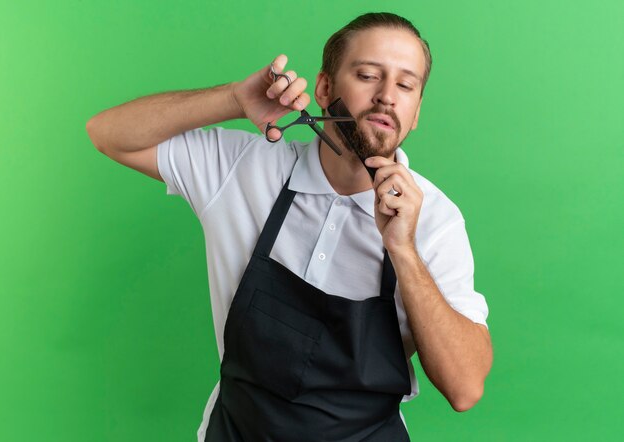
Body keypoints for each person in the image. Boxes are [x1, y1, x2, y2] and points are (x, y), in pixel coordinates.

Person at [86, 12, 492, 442]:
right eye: (369, 75)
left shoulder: (435, 221)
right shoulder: (245, 168)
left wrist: (404, 249)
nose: (387, 96)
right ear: (324, 89)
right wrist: (233, 98)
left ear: (415, 114)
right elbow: (108, 133)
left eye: (406, 85)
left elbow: (465, 389)